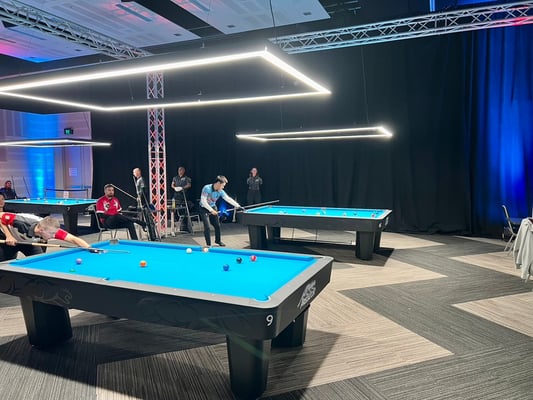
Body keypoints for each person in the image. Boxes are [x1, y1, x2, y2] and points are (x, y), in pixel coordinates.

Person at [0, 212, 90, 262]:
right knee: (5, 264)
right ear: (41, 230)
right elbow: (1, 216)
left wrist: (90, 248)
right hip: (6, 238)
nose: (54, 236)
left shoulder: (51, 229)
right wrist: (9, 236)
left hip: (28, 242)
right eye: (51, 234)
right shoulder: (22, 222)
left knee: (39, 261)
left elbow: (73, 239)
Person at [199, 175, 243, 247]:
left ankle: (218, 240)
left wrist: (238, 206)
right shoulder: (206, 188)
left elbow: (228, 199)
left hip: (213, 207)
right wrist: (211, 210)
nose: (223, 187)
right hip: (203, 208)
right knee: (207, 227)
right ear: (218, 183)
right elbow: (203, 201)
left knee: (217, 225)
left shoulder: (221, 191)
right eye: (223, 185)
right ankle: (208, 245)